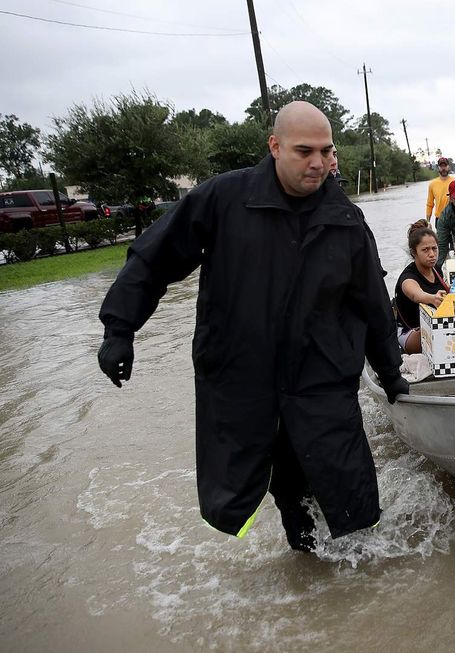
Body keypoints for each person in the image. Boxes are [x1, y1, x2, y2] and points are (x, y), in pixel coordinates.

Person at [96, 101, 410, 552]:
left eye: (326, 151)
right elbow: (153, 258)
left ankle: (360, 569)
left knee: (349, 488)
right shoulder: (224, 199)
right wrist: (119, 330)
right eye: (305, 151)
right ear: (275, 146)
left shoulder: (346, 219)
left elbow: (372, 303)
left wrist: (391, 371)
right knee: (275, 485)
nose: (318, 162)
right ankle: (306, 557)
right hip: (243, 379)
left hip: (321, 378)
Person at [394, 219, 448, 353]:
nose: (432, 254)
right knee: (439, 334)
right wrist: (433, 298)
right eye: (425, 250)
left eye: (434, 248)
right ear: (414, 252)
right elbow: (416, 295)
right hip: (409, 332)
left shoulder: (437, 270)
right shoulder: (407, 278)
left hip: (434, 325)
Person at [425, 156, 455, 226]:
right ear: (438, 168)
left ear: (449, 167)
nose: (443, 168)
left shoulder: (454, 182)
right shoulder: (432, 184)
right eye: (441, 166)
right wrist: (428, 222)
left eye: (445, 166)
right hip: (439, 219)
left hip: (454, 218)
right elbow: (430, 204)